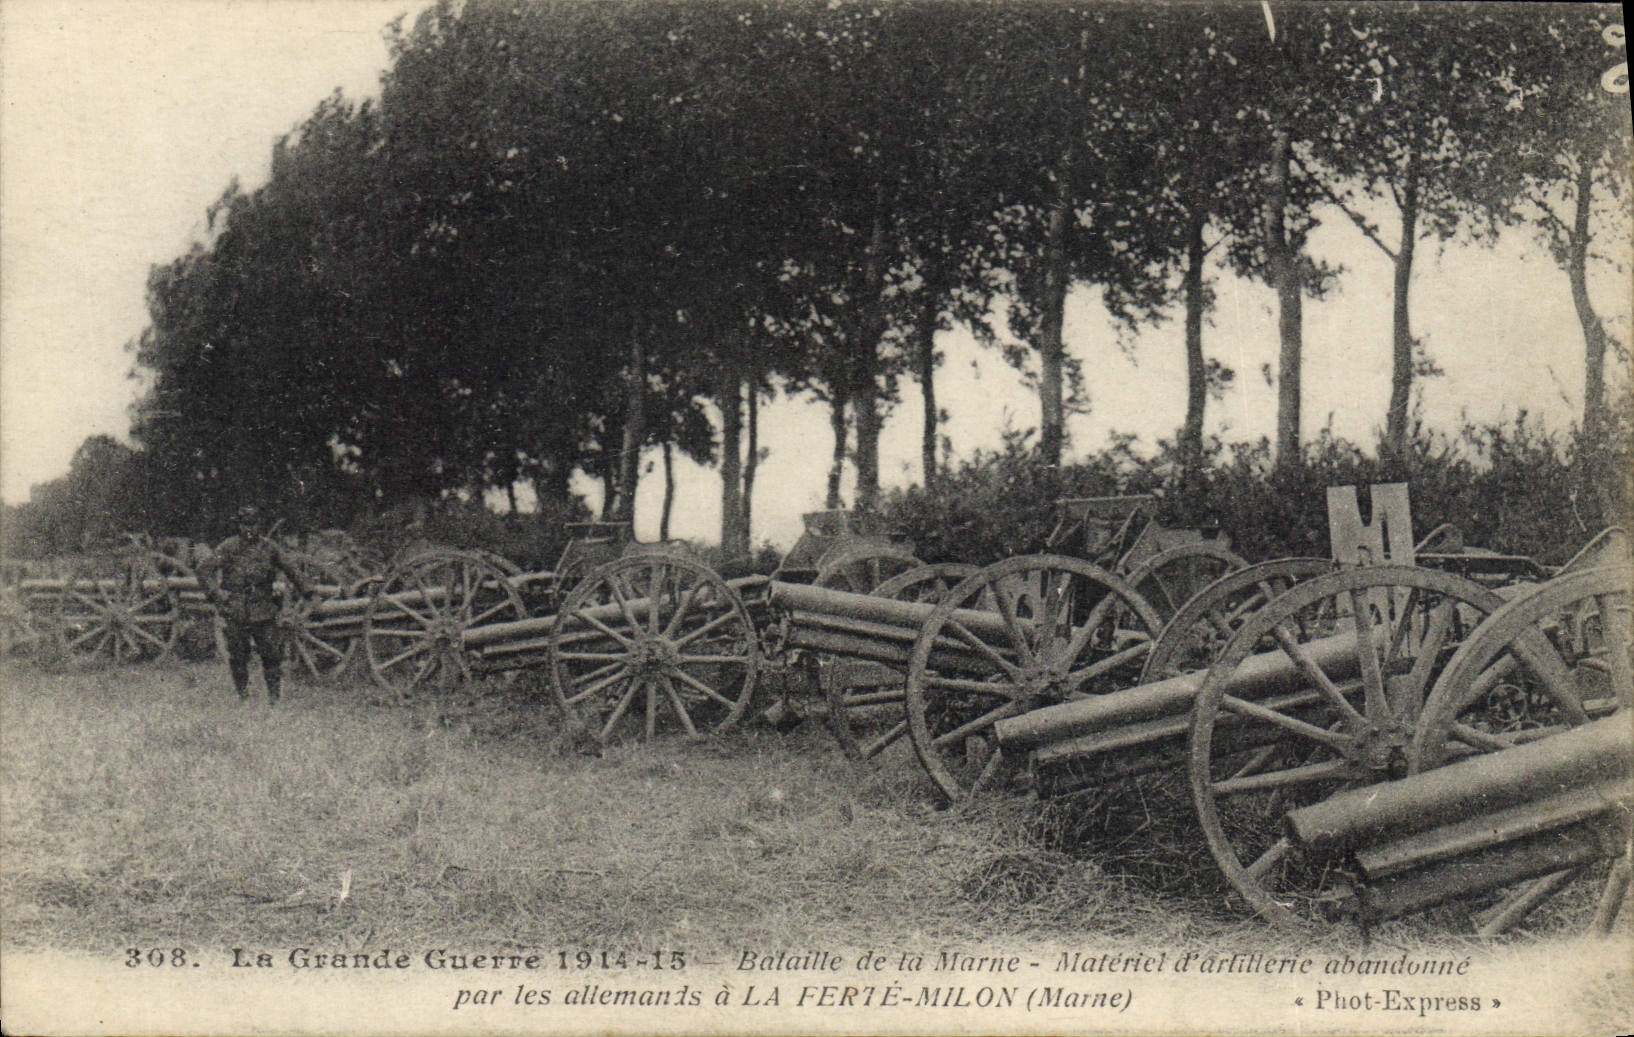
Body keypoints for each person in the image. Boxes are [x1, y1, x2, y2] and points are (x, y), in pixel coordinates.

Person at [196, 504, 313, 703]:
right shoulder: (228, 547)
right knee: (238, 656)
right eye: (245, 525)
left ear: (260, 525)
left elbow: (291, 569)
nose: (249, 529)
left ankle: (274, 699)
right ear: (239, 526)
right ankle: (243, 696)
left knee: (272, 655)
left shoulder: (270, 548)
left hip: (264, 609)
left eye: (253, 525)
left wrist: (308, 591)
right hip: (236, 609)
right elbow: (204, 569)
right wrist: (217, 594)